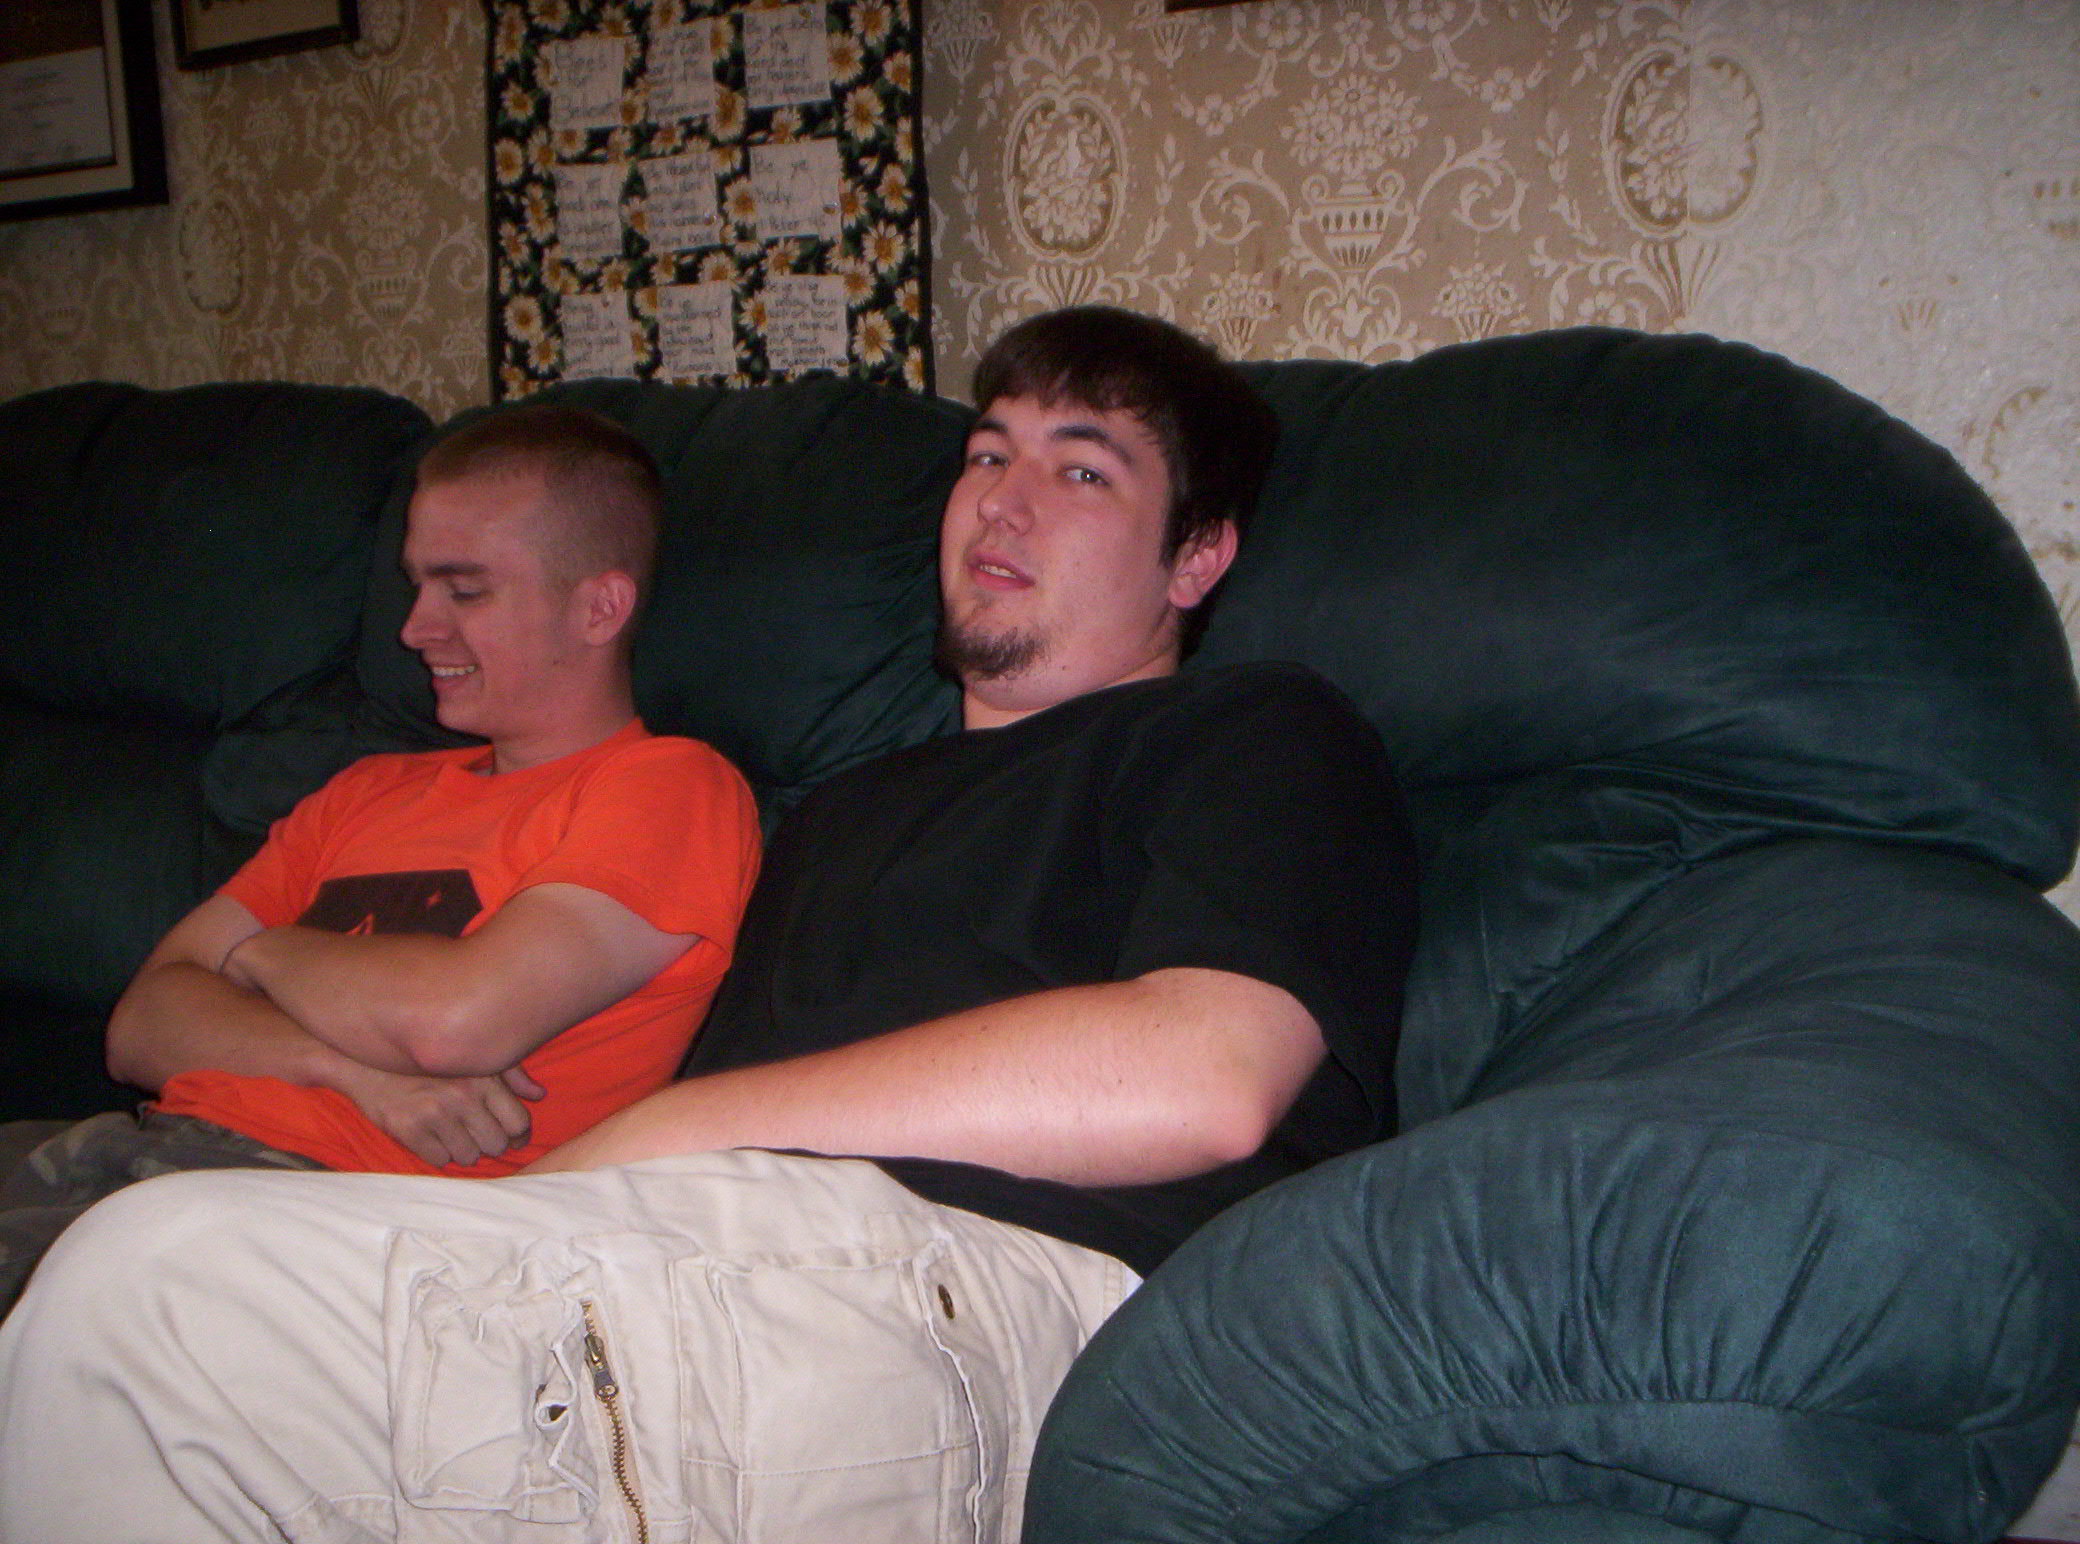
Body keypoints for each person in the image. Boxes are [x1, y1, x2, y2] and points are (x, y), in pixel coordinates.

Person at [0, 306, 1417, 1543]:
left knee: (149, 1287)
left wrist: (680, 1129)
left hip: (1007, 1283)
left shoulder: (1258, 733)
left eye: (1082, 469)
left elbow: (1206, 1076)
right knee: (166, 1337)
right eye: (988, 453)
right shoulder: (837, 812)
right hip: (711, 1251)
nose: (1003, 501)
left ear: (1196, 558)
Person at [0, 405, 762, 1315]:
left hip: (338, 1224)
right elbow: (141, 1026)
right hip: (140, 1156)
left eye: (464, 591)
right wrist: (356, 1073)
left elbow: (459, 1024)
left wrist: (260, 954)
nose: (414, 628)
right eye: (415, 586)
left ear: (599, 607)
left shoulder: (669, 787)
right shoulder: (368, 791)